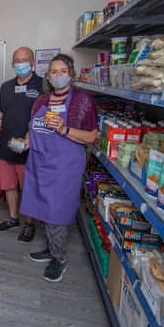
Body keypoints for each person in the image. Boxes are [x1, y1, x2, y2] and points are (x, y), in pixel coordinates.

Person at [19, 54, 98, 283]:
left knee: (57, 213)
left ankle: (60, 259)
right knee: (43, 208)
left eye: (63, 71)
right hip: (39, 162)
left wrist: (64, 129)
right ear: (48, 76)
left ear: (71, 74)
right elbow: (32, 128)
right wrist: (25, 142)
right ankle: (51, 249)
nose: (58, 75)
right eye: (54, 72)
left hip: (65, 166)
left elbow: (91, 136)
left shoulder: (82, 100)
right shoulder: (41, 101)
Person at [0, 47, 44, 243]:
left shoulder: (42, 85)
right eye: (17, 60)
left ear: (33, 62)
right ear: (12, 64)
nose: (20, 63)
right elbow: (4, 113)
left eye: (24, 60)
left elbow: (44, 118)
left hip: (29, 147)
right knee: (9, 186)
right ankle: (13, 218)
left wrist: (28, 138)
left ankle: (29, 224)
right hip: (6, 145)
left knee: (28, 187)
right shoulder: (6, 87)